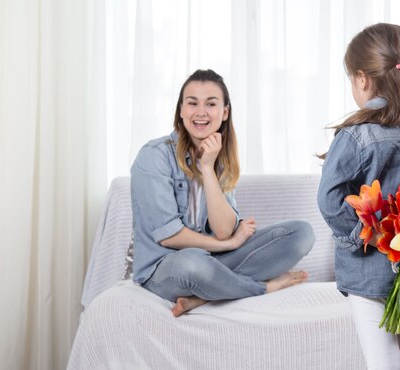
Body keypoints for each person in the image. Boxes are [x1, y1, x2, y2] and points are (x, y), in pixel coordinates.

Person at [317, 23, 400, 370]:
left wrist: (371, 235)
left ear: (362, 79)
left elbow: (330, 199)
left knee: (382, 361)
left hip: (367, 272)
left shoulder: (355, 136)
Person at [131, 69, 315, 317]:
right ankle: (260, 287)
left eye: (211, 103)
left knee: (301, 233)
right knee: (193, 263)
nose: (201, 112)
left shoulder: (219, 159)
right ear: (181, 110)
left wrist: (207, 168)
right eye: (192, 103)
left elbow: (223, 229)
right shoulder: (154, 155)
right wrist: (228, 244)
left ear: (224, 112)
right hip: (166, 269)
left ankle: (203, 296)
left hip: (211, 262)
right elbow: (169, 236)